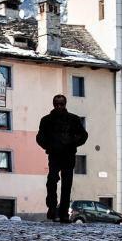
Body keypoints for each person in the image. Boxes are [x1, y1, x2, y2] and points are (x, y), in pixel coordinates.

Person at [36, 94, 88, 223]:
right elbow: (39, 137)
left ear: (65, 104)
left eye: (61, 104)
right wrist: (48, 146)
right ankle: (52, 208)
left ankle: (64, 213)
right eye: (56, 104)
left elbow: (83, 135)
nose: (59, 106)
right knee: (52, 181)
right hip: (54, 155)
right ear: (53, 104)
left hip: (68, 155)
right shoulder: (46, 120)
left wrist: (72, 143)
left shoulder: (73, 119)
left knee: (67, 185)